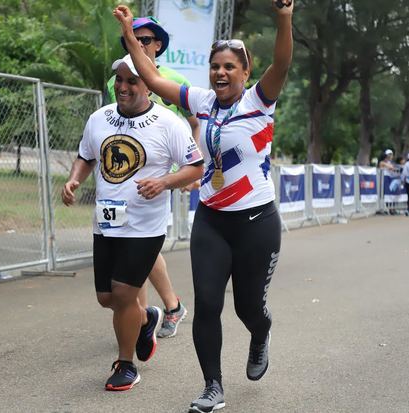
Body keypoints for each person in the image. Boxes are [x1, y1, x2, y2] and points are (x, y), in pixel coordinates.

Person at [114, 1, 292, 411]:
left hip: (256, 221)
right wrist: (129, 32)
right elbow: (152, 77)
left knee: (249, 307)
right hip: (211, 220)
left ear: (245, 73)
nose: (221, 73)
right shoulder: (201, 102)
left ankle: (261, 333)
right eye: (215, 66)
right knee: (208, 304)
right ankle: (213, 387)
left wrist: (284, 18)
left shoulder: (259, 101)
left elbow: (282, 63)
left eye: (230, 67)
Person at [61, 54, 204, 392]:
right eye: (119, 81)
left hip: (145, 226)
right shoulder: (100, 118)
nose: (122, 87)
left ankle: (126, 365)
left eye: (131, 81)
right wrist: (74, 180)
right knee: (107, 298)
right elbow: (86, 155)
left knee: (125, 294)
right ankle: (147, 317)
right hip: (105, 223)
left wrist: (164, 182)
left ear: (148, 86)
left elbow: (195, 167)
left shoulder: (168, 123)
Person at [106, 15, 200, 338]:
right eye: (133, 40)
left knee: (140, 246)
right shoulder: (116, 80)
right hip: (126, 176)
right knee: (132, 246)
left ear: (158, 44)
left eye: (145, 40)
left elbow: (194, 124)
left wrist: (191, 172)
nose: (139, 45)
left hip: (162, 177)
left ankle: (155, 314)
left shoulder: (173, 79)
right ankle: (150, 315)